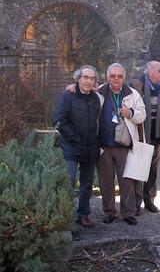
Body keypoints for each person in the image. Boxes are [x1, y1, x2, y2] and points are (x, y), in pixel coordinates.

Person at [52, 65, 102, 229]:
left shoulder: (96, 98)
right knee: (69, 180)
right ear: (78, 79)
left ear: (95, 81)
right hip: (71, 147)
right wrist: (73, 137)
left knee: (87, 184)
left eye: (92, 78)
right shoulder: (68, 96)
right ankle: (64, 217)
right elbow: (58, 120)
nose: (88, 81)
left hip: (90, 147)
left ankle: (83, 215)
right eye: (85, 77)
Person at [97, 63, 146, 226]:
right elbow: (81, 92)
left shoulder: (132, 94)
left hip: (124, 146)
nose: (116, 79)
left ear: (124, 78)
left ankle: (128, 213)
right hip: (103, 145)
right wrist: (72, 86)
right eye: (113, 76)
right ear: (108, 77)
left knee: (127, 182)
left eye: (119, 76)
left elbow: (142, 115)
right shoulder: (99, 93)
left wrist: (130, 113)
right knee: (106, 182)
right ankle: (109, 212)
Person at [130, 61, 160, 215]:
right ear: (150, 71)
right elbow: (113, 86)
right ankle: (136, 204)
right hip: (141, 136)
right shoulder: (136, 85)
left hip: (156, 137)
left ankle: (149, 201)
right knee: (138, 172)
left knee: (152, 172)